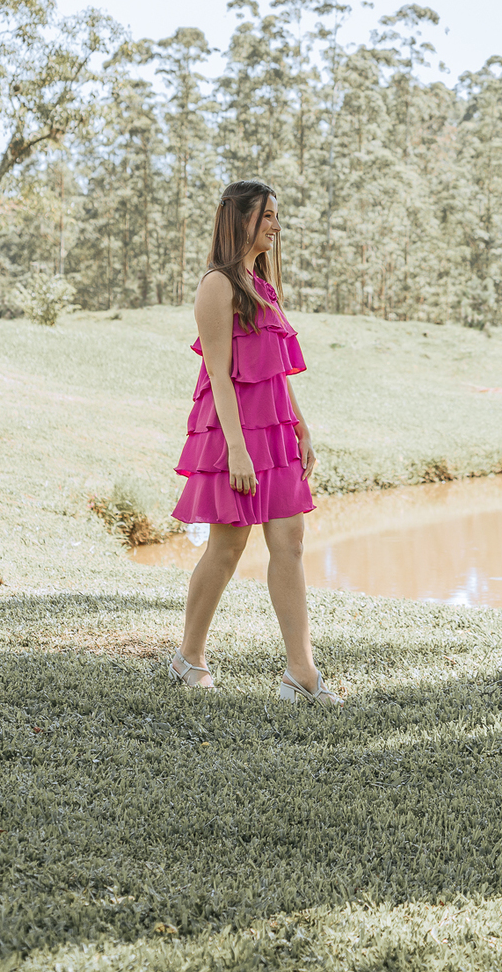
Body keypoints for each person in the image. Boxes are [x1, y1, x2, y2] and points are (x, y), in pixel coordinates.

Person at [168, 179, 341, 706]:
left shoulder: (261, 284)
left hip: (275, 430)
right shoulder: (217, 285)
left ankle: (301, 674)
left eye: (276, 214)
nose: (275, 223)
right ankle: (188, 657)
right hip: (233, 434)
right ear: (240, 218)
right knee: (227, 545)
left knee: (289, 540)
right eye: (266, 214)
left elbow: (274, 371)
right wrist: (238, 450)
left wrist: (301, 425)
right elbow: (219, 375)